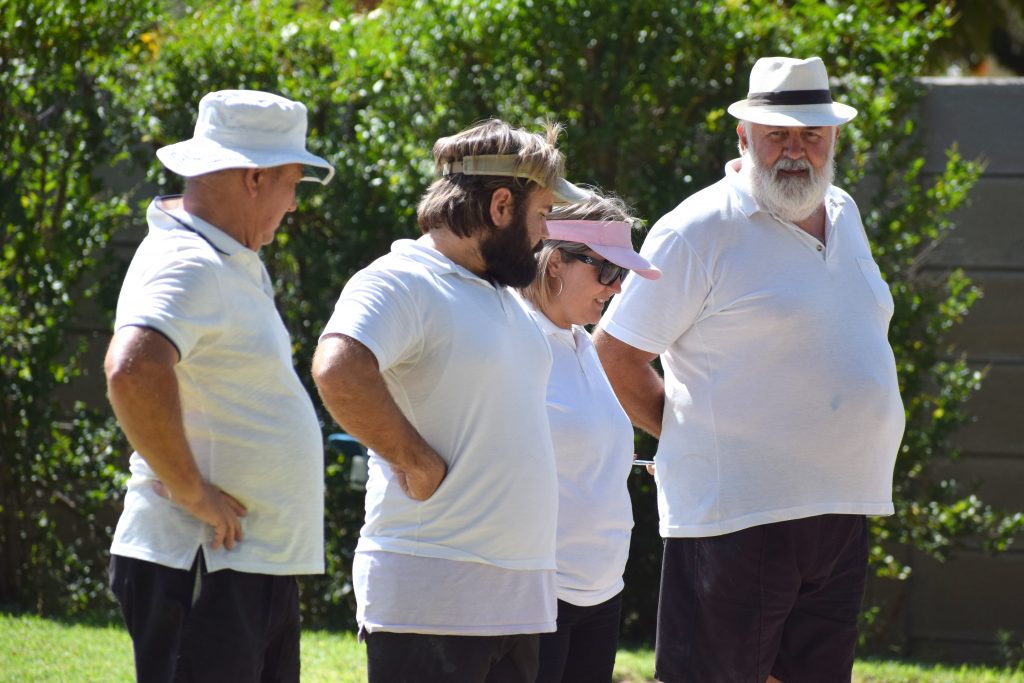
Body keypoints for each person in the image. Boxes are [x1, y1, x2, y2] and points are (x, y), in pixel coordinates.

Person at [593, 56, 906, 683]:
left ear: (833, 139)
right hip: (735, 517)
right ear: (743, 137)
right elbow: (614, 354)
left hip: (843, 509)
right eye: (777, 135)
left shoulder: (843, 211)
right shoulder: (697, 228)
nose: (795, 151)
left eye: (810, 135)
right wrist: (686, 436)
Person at [311, 119, 590, 683]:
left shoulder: (502, 298)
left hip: (516, 603)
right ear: (502, 205)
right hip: (434, 598)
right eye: (542, 215)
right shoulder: (404, 279)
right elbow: (339, 367)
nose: (545, 235)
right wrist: (415, 461)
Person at [104, 89, 334, 683]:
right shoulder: (188, 261)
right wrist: (191, 492)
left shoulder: (222, 257)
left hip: (240, 564)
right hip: (201, 561)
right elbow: (133, 369)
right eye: (292, 182)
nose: (293, 203)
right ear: (255, 178)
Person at [516, 194, 660, 682]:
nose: (617, 288)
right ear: (556, 261)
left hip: (602, 592)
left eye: (623, 275)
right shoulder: (516, 337)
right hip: (538, 594)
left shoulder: (581, 341)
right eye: (607, 271)